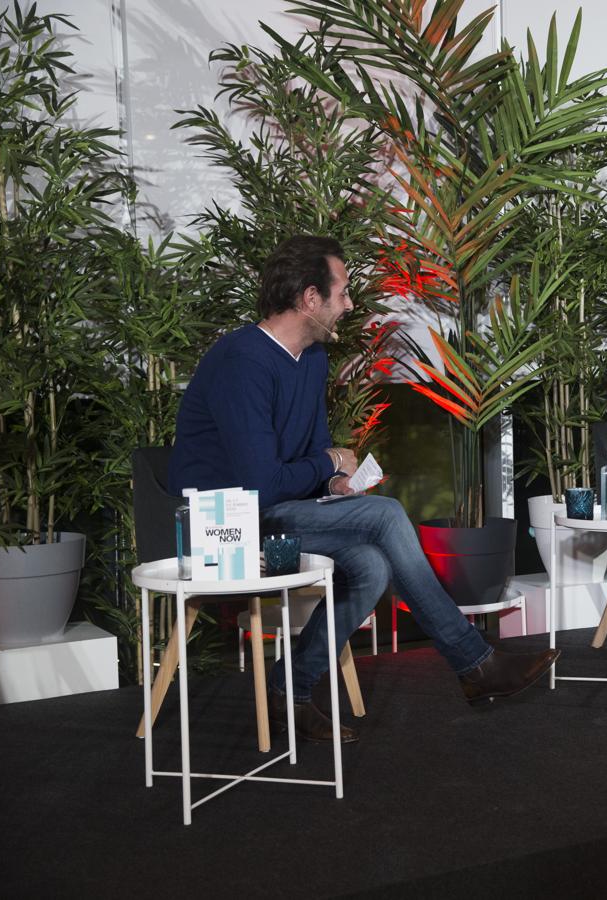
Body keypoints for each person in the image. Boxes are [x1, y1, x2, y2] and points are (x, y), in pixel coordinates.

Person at [169, 235, 558, 742]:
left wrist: (337, 480)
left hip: (276, 512)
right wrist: (326, 462)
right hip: (223, 525)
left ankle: (292, 689)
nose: (350, 304)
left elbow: (307, 456)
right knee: (385, 516)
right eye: (344, 292)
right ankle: (473, 663)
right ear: (311, 298)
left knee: (372, 566)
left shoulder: (310, 360)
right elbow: (260, 484)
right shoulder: (242, 361)